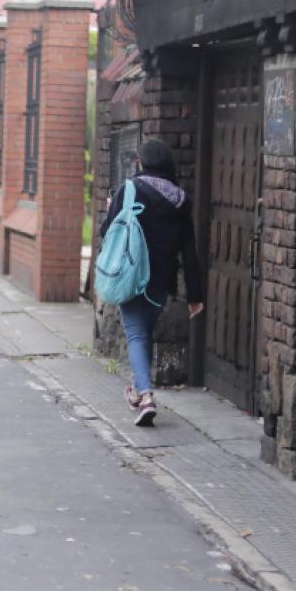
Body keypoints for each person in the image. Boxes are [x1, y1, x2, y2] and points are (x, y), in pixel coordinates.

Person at [101, 139, 204, 427]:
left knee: (135, 335)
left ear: (141, 162)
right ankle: (136, 391)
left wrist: (112, 208)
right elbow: (189, 250)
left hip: (132, 274)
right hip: (161, 280)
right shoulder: (181, 199)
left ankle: (145, 396)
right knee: (143, 334)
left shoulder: (130, 189)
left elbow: (106, 232)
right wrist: (196, 294)